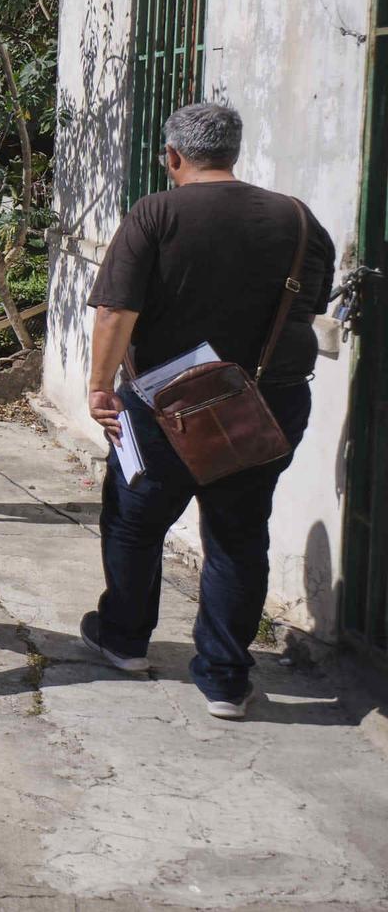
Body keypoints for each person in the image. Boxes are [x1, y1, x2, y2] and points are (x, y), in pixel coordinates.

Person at [81, 102, 334, 721]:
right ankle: (223, 678)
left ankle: (125, 639)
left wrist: (98, 387)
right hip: (264, 401)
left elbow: (116, 312)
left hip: (166, 401)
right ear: (235, 153)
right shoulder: (299, 221)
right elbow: (312, 304)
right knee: (239, 533)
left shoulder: (156, 213)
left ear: (172, 157)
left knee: (135, 520)